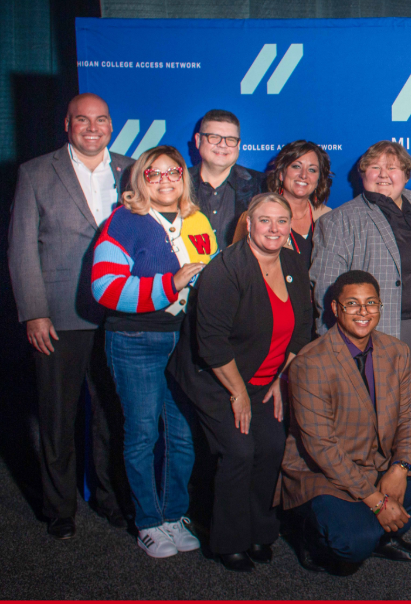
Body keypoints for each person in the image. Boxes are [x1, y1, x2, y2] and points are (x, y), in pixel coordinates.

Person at [168, 193, 312, 571]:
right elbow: (212, 345)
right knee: (238, 450)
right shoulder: (226, 270)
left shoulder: (293, 261)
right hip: (216, 378)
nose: (274, 229)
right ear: (249, 223)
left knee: (271, 446)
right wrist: (237, 394)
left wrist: (282, 379)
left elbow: (302, 330)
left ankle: (260, 531)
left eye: (282, 221)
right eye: (265, 220)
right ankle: (228, 540)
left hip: (265, 378)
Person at [9, 93, 130, 539]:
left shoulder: (132, 168)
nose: (92, 128)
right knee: (57, 416)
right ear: (67, 124)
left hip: (120, 312)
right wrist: (34, 313)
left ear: (111, 125)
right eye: (83, 120)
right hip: (59, 315)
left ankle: (109, 498)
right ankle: (59, 507)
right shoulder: (36, 172)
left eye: (101, 119)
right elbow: (21, 248)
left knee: (112, 414)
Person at [282, 270, 411, 575]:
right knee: (352, 548)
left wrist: (400, 468)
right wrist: (377, 501)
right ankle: (312, 531)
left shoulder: (396, 351)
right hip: (325, 474)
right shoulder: (310, 363)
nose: (363, 312)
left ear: (380, 307)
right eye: (353, 304)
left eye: (371, 303)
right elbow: (321, 448)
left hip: (378, 462)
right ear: (336, 309)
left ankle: (386, 533)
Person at [91, 146, 217, 558]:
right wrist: (170, 283)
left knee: (182, 436)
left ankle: (173, 514)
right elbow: (104, 288)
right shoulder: (124, 221)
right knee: (143, 434)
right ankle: (147, 520)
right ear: (139, 180)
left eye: (172, 172)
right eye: (154, 174)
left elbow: (210, 274)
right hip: (136, 340)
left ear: (184, 177)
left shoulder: (196, 219)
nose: (165, 180)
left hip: (184, 342)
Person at [311, 141, 411, 422]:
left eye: (392, 168)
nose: (383, 174)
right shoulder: (339, 221)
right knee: (378, 427)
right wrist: (334, 353)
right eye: (375, 167)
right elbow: (325, 290)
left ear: (406, 175)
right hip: (380, 339)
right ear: (363, 174)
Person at [189, 109, 265, 250]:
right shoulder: (176, 183)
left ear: (238, 145)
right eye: (214, 137)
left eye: (230, 139)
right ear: (198, 140)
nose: (222, 145)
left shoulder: (263, 185)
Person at [259, 140, 333, 266]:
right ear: (281, 173)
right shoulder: (259, 215)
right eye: (296, 166)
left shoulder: (329, 216)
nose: (303, 175)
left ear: (319, 178)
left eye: (312, 170)